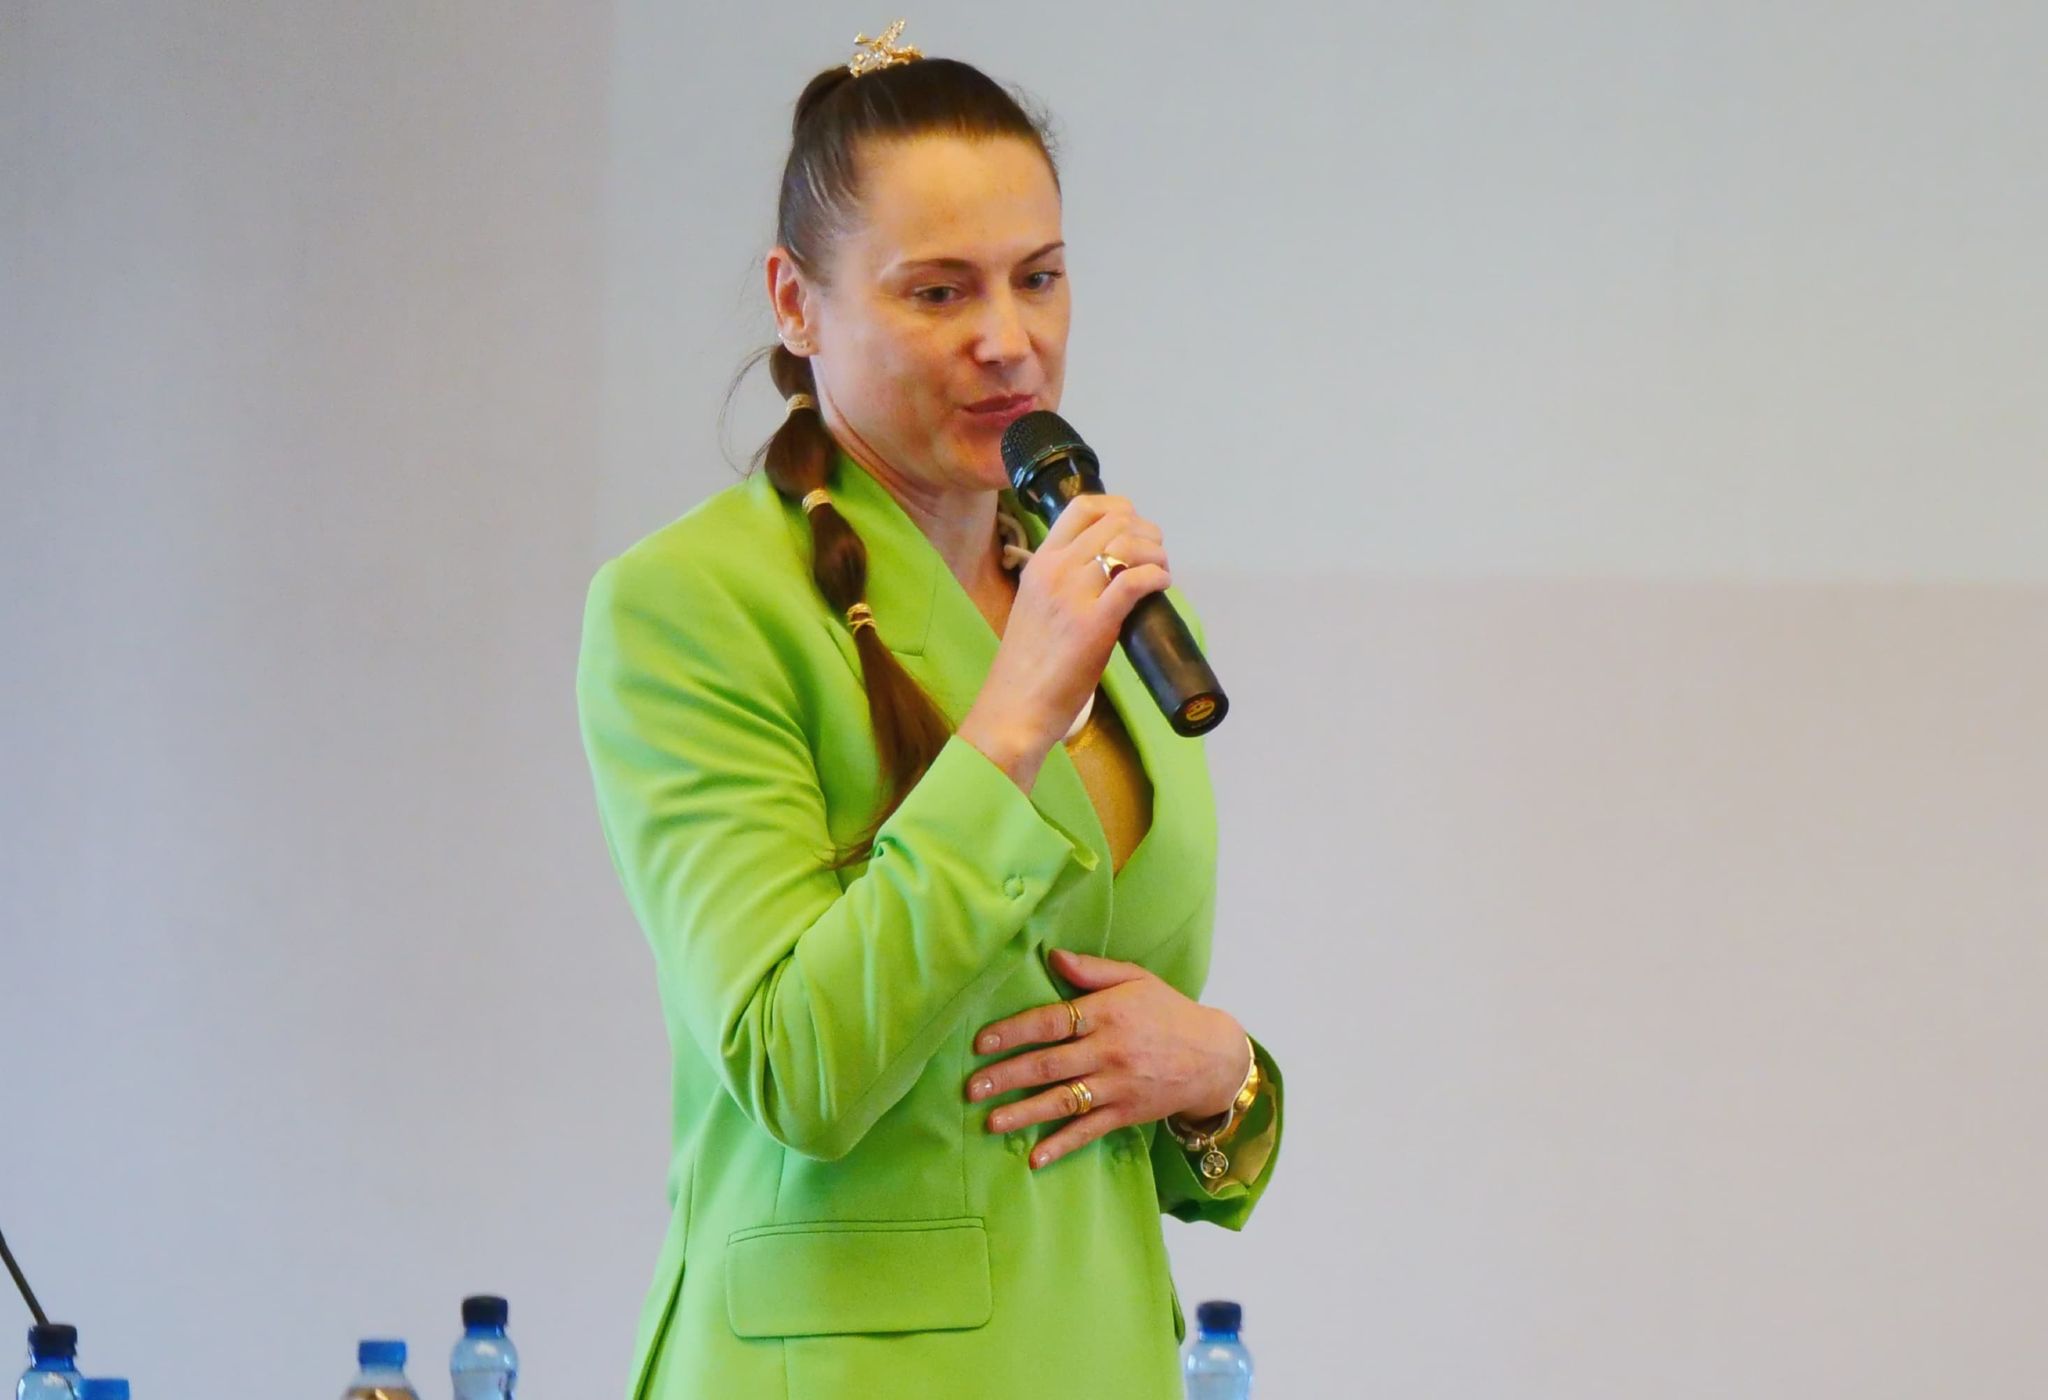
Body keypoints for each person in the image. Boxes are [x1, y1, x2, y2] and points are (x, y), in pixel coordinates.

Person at [575, 24, 1284, 1399]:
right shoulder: (690, 604)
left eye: (1039, 278)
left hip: (1098, 1356)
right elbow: (800, 1068)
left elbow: (1108, 1061)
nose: (1009, 341)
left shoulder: (1090, 605)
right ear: (795, 303)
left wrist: (1223, 1075)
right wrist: (1012, 714)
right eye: (939, 291)